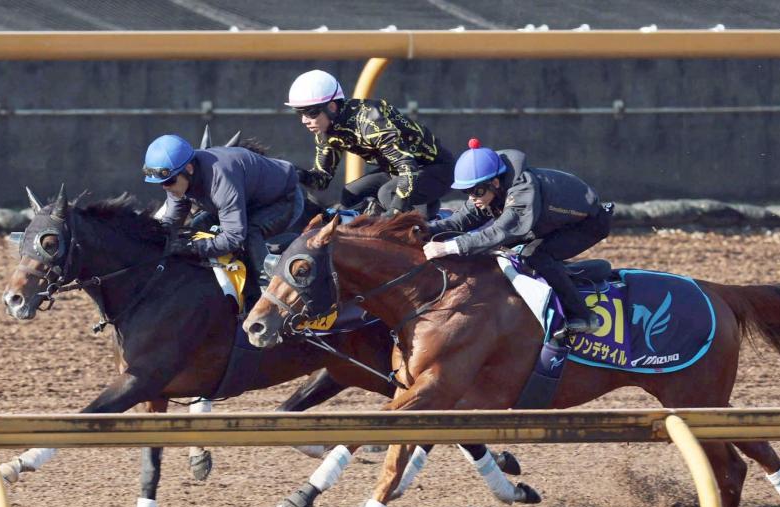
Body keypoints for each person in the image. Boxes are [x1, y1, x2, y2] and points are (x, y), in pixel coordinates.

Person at [422, 139, 612, 335]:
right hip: (548, 222)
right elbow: (459, 222)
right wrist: (421, 230)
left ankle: (584, 316)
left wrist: (448, 247)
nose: (472, 198)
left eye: (476, 191)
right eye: (466, 191)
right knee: (512, 253)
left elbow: (500, 232)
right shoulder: (487, 193)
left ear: (495, 183)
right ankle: (559, 277)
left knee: (536, 256)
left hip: (588, 224)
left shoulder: (523, 190)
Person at [143, 133, 304, 296]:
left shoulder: (220, 179)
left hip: (283, 200)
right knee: (196, 227)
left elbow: (234, 237)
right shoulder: (179, 175)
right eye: (161, 183)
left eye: (169, 181)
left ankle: (268, 288)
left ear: (189, 169)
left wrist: (192, 247)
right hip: (245, 200)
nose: (165, 187)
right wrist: (156, 238)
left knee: (249, 233)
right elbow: (172, 221)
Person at [286, 69, 454, 218]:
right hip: (398, 172)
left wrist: (395, 212)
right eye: (300, 113)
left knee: (388, 194)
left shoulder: (370, 121)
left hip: (436, 168)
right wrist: (296, 173)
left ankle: (426, 221)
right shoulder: (326, 132)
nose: (304, 120)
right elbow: (321, 180)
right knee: (350, 194)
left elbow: (408, 168)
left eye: (311, 113)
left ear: (331, 107)